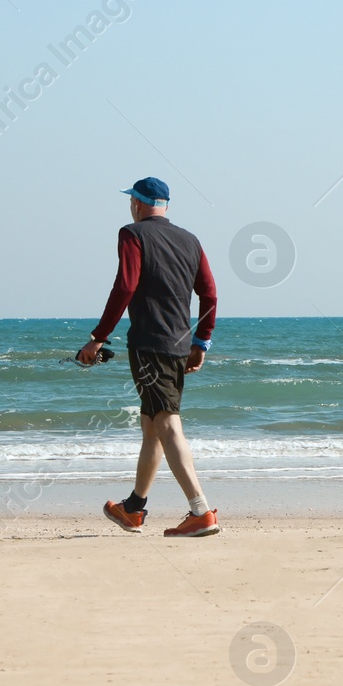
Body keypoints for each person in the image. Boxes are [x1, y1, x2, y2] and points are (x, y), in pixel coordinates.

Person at [77, 176, 220, 537]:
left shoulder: (132, 234)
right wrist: (200, 342)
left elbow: (125, 285)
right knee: (152, 425)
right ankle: (134, 508)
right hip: (178, 345)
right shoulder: (191, 240)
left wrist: (98, 338)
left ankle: (200, 511)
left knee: (167, 424)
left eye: (131, 202)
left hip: (149, 344)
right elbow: (209, 294)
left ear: (137, 204)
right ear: (165, 205)